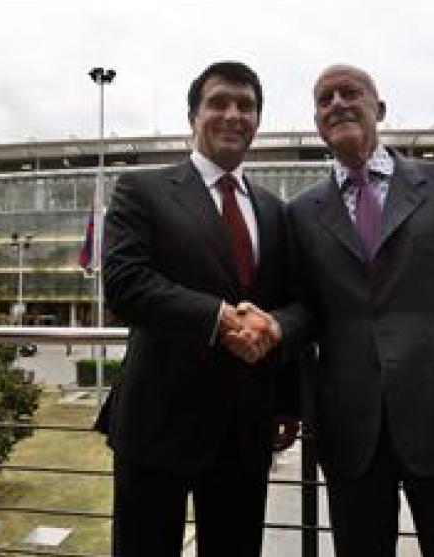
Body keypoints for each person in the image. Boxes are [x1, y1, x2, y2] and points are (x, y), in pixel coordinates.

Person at [250, 64, 434, 557]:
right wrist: (281, 371)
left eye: (349, 92)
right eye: (325, 99)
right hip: (351, 431)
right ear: (317, 124)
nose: (337, 103)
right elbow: (304, 309)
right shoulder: (302, 213)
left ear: (379, 108)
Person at [97, 61, 298, 557]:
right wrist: (219, 317)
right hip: (157, 425)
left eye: (246, 106)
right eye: (218, 102)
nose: (233, 114)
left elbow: (292, 304)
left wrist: (286, 400)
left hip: (244, 432)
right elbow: (124, 284)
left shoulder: (276, 210)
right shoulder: (141, 190)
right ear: (193, 117)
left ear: (257, 121)